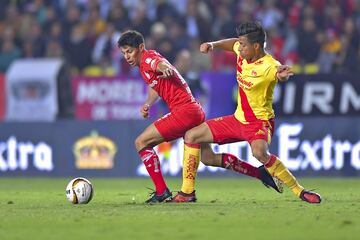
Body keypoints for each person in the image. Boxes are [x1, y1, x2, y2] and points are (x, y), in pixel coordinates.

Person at [117, 30, 280, 203]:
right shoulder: (145, 63)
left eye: (129, 51)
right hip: (193, 110)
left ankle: (162, 191)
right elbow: (155, 84)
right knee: (209, 158)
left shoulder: (149, 59)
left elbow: (161, 67)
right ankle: (260, 173)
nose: (127, 56)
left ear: (141, 47)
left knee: (141, 142)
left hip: (183, 112)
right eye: (124, 53)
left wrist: (166, 70)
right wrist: (149, 103)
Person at [170, 22, 321, 204]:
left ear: (256, 46)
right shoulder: (242, 51)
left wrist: (281, 74)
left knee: (260, 153)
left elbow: (277, 70)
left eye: (243, 45)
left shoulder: (268, 65)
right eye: (240, 44)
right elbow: (232, 43)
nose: (239, 48)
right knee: (192, 137)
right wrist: (213, 45)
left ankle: (299, 190)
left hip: (259, 122)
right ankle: (187, 193)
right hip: (237, 119)